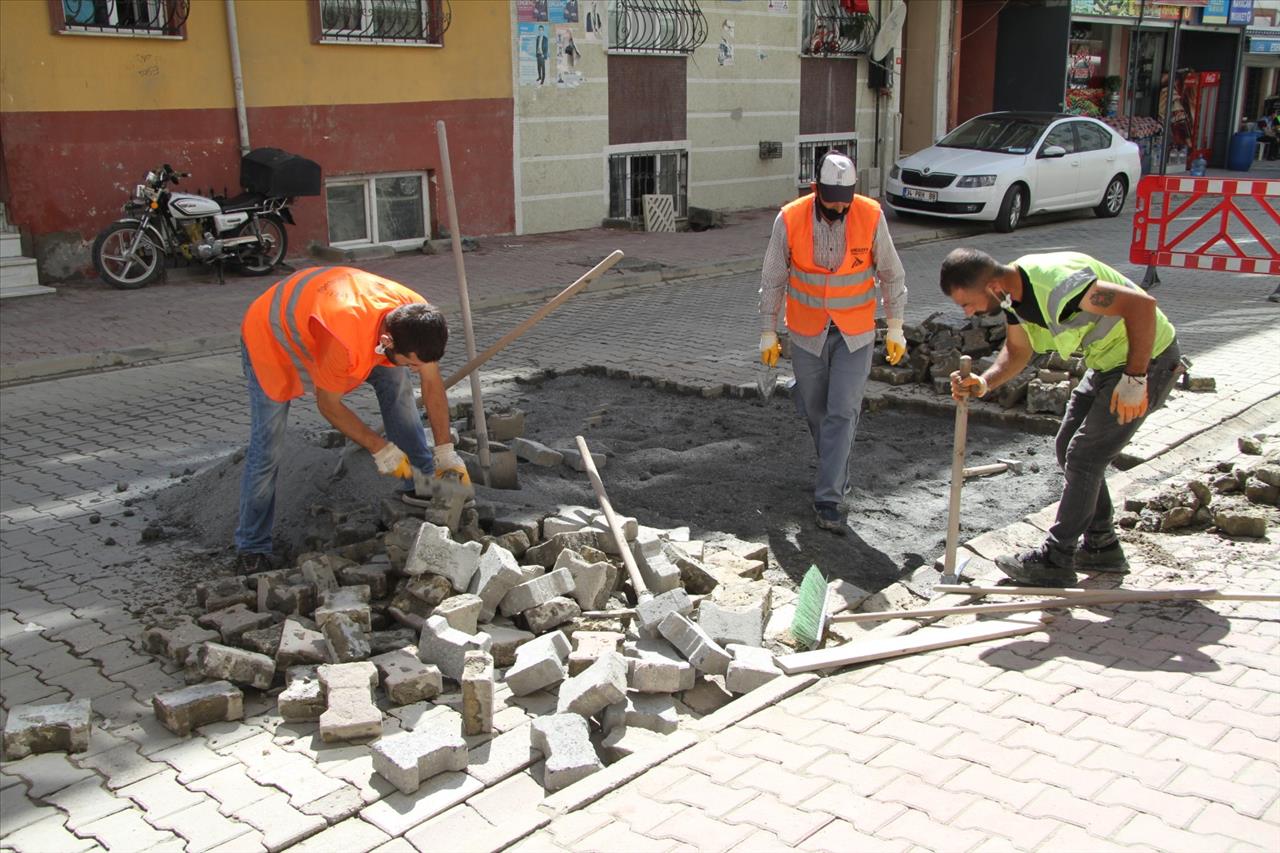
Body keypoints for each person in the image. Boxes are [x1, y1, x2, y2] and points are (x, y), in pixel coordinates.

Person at [941, 249, 1182, 587]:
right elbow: (1017, 350)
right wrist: (983, 382)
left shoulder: (1058, 286)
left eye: (968, 303)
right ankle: (1101, 546)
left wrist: (1136, 378)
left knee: (1084, 456)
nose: (968, 312)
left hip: (1145, 362)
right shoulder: (1014, 297)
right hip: (1108, 364)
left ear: (993, 286)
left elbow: (1141, 306)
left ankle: (1056, 558)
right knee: (1067, 446)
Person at [233, 266, 466, 574]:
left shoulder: (416, 316)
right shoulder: (345, 343)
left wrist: (445, 452)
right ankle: (252, 546)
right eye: (411, 362)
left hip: (340, 324)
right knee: (268, 448)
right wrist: (379, 447)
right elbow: (328, 405)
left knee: (397, 388)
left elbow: (431, 382)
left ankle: (421, 485)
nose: (416, 368)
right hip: (272, 338)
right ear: (388, 341)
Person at [759, 151, 908, 535]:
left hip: (855, 333)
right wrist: (768, 329)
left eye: (845, 203)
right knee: (815, 410)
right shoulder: (790, 218)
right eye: (831, 204)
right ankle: (836, 470)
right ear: (815, 191)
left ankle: (829, 499)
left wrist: (895, 326)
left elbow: (891, 272)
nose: (839, 211)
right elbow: (774, 276)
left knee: (842, 410)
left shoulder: (870, 215)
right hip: (808, 332)